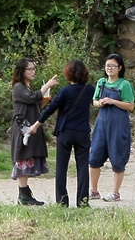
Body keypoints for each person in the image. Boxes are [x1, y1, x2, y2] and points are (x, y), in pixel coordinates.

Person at [28, 59, 95, 207]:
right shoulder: (90, 89)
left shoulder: (65, 91)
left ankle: (62, 201)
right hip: (82, 132)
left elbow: (50, 109)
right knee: (83, 167)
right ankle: (83, 202)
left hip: (65, 132)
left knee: (61, 168)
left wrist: (36, 125)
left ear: (69, 73)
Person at [8, 58, 58, 206]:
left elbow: (34, 102)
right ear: (22, 71)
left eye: (34, 68)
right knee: (22, 158)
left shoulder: (27, 87)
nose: (33, 71)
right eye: (29, 69)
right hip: (22, 128)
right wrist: (47, 85)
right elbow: (33, 97)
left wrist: (43, 100)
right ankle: (24, 195)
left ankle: (25, 194)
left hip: (30, 128)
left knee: (27, 157)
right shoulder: (18, 87)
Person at [89, 52, 135, 203]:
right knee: (94, 157)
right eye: (107, 65)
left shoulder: (124, 84)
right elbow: (94, 101)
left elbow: (130, 106)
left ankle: (115, 192)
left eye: (113, 66)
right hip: (101, 124)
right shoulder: (101, 82)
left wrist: (113, 101)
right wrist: (100, 102)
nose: (109, 68)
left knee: (118, 158)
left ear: (120, 68)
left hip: (118, 125)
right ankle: (94, 190)